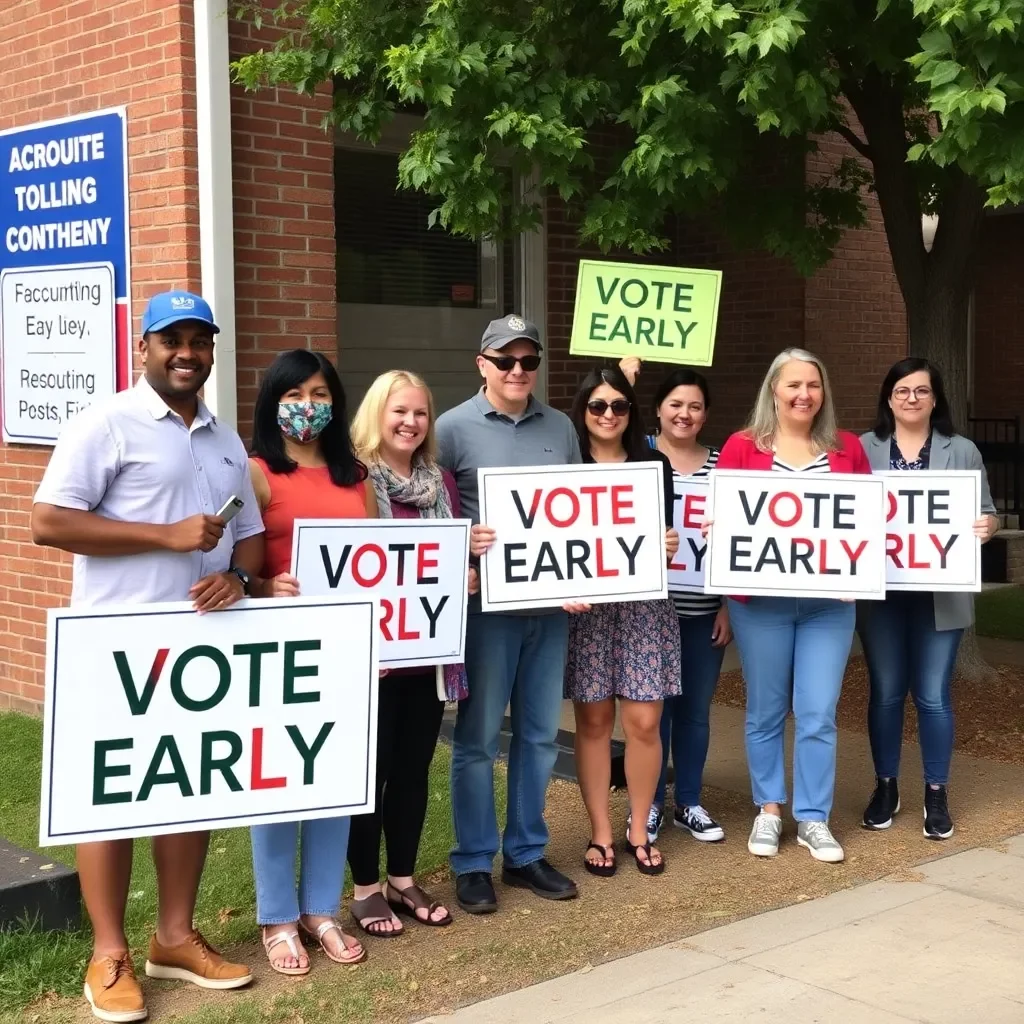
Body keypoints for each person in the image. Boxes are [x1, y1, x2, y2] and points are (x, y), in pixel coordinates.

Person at [32, 290, 258, 1022]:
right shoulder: (107, 422)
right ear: (144, 349)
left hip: (200, 649)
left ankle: (173, 937)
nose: (187, 353)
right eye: (172, 341)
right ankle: (109, 953)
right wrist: (166, 536)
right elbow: (48, 521)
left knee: (189, 787)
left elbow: (245, 534)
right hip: (117, 643)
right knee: (113, 796)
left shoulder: (226, 440)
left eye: (200, 340)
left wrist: (239, 575)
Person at [436, 314, 583, 914]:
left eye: (528, 361)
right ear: (483, 364)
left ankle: (525, 852)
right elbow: (429, 508)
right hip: (487, 609)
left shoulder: (562, 427)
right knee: (475, 737)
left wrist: (586, 573)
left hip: (550, 608)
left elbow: (579, 511)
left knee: (541, 734)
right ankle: (473, 860)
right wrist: (459, 542)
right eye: (506, 361)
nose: (518, 371)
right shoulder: (450, 428)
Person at [714, 347, 871, 864]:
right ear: (774, 392)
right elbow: (722, 516)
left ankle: (813, 817)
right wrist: (718, 528)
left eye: (813, 385)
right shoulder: (742, 447)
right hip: (761, 605)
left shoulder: (847, 448)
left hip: (830, 605)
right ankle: (769, 809)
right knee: (764, 709)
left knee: (818, 712)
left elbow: (869, 520)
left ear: (823, 392)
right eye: (793, 385)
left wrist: (862, 565)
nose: (804, 394)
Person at [247, 349, 373, 975]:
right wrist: (265, 588)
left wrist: (387, 641)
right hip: (279, 648)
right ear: (273, 402)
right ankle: (276, 915)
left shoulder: (357, 477)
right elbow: (236, 568)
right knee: (277, 782)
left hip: (345, 647)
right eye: (294, 395)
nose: (307, 406)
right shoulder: (255, 473)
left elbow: (382, 567)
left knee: (334, 775)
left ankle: (321, 908)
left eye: (319, 393)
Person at [346, 370, 476, 935]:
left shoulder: (439, 481)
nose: (410, 422)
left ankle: (402, 878)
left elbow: (442, 560)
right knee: (368, 775)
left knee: (413, 770)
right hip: (368, 658)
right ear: (378, 414)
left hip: (426, 654)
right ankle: (366, 888)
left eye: (420, 413)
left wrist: (464, 574)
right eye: (399, 411)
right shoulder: (353, 480)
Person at [859, 358, 998, 840]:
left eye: (922, 391)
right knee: (886, 691)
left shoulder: (962, 450)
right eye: (902, 390)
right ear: (889, 398)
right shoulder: (863, 449)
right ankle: (886, 786)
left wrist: (988, 526)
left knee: (935, 696)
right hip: (881, 594)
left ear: (935, 399)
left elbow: (987, 511)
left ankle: (936, 792)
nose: (912, 398)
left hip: (942, 593)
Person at [564, 367, 680, 877]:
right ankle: (601, 832)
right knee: (592, 722)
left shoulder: (654, 464)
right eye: (598, 406)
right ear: (583, 411)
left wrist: (668, 543)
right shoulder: (565, 465)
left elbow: (662, 534)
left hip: (642, 607)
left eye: (619, 406)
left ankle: (638, 827)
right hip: (587, 610)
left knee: (644, 722)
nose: (608, 414)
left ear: (632, 414)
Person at [620, 358, 730, 846]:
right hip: (650, 611)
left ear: (705, 414)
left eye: (695, 406)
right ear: (658, 410)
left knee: (695, 711)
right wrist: (622, 377)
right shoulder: (638, 456)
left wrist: (729, 603)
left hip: (705, 608)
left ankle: (689, 801)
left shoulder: (725, 463)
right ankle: (649, 807)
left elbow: (742, 538)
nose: (685, 414)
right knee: (650, 714)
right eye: (675, 404)